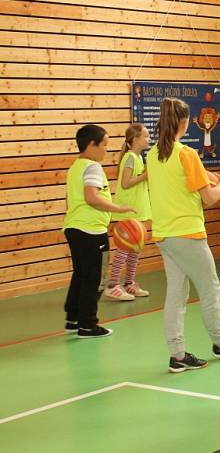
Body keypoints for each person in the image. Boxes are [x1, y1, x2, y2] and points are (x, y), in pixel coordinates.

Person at [147, 97, 220, 373]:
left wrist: (207, 176)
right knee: (210, 288)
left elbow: (185, 179)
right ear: (185, 122)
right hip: (188, 234)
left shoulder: (154, 154)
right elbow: (209, 198)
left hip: (165, 235)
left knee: (176, 295)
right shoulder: (186, 154)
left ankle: (177, 354)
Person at [63, 125, 136, 338]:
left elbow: (71, 199)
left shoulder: (76, 166)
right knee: (94, 278)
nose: (107, 149)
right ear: (92, 145)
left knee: (81, 274)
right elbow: (91, 197)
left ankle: (73, 318)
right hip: (91, 231)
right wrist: (120, 209)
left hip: (74, 227)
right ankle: (88, 325)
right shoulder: (93, 167)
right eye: (104, 144)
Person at [105, 123, 152, 302]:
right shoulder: (131, 157)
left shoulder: (138, 158)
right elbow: (125, 183)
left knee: (135, 249)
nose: (149, 139)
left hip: (136, 211)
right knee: (124, 250)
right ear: (135, 139)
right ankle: (113, 285)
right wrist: (145, 176)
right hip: (127, 211)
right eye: (146, 136)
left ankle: (129, 283)